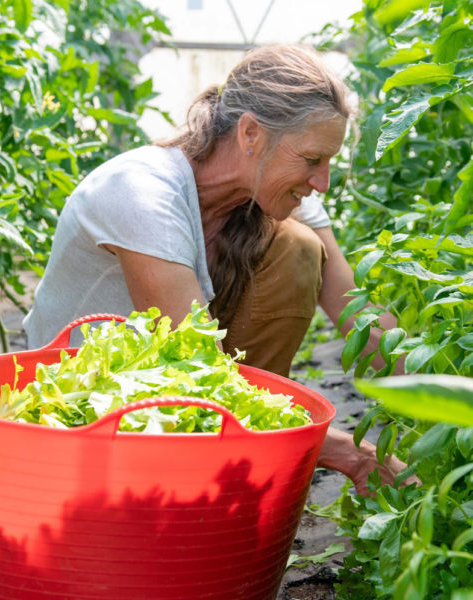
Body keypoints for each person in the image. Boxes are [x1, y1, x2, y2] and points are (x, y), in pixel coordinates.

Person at [23, 43, 405, 495]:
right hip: (82, 408)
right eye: (311, 160)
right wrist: (354, 456)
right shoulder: (141, 194)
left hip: (172, 388)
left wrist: (450, 402)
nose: (321, 181)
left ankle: (237, 467)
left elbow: (356, 314)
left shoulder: (274, 188)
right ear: (250, 135)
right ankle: (233, 460)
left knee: (299, 248)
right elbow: (195, 368)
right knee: (291, 249)